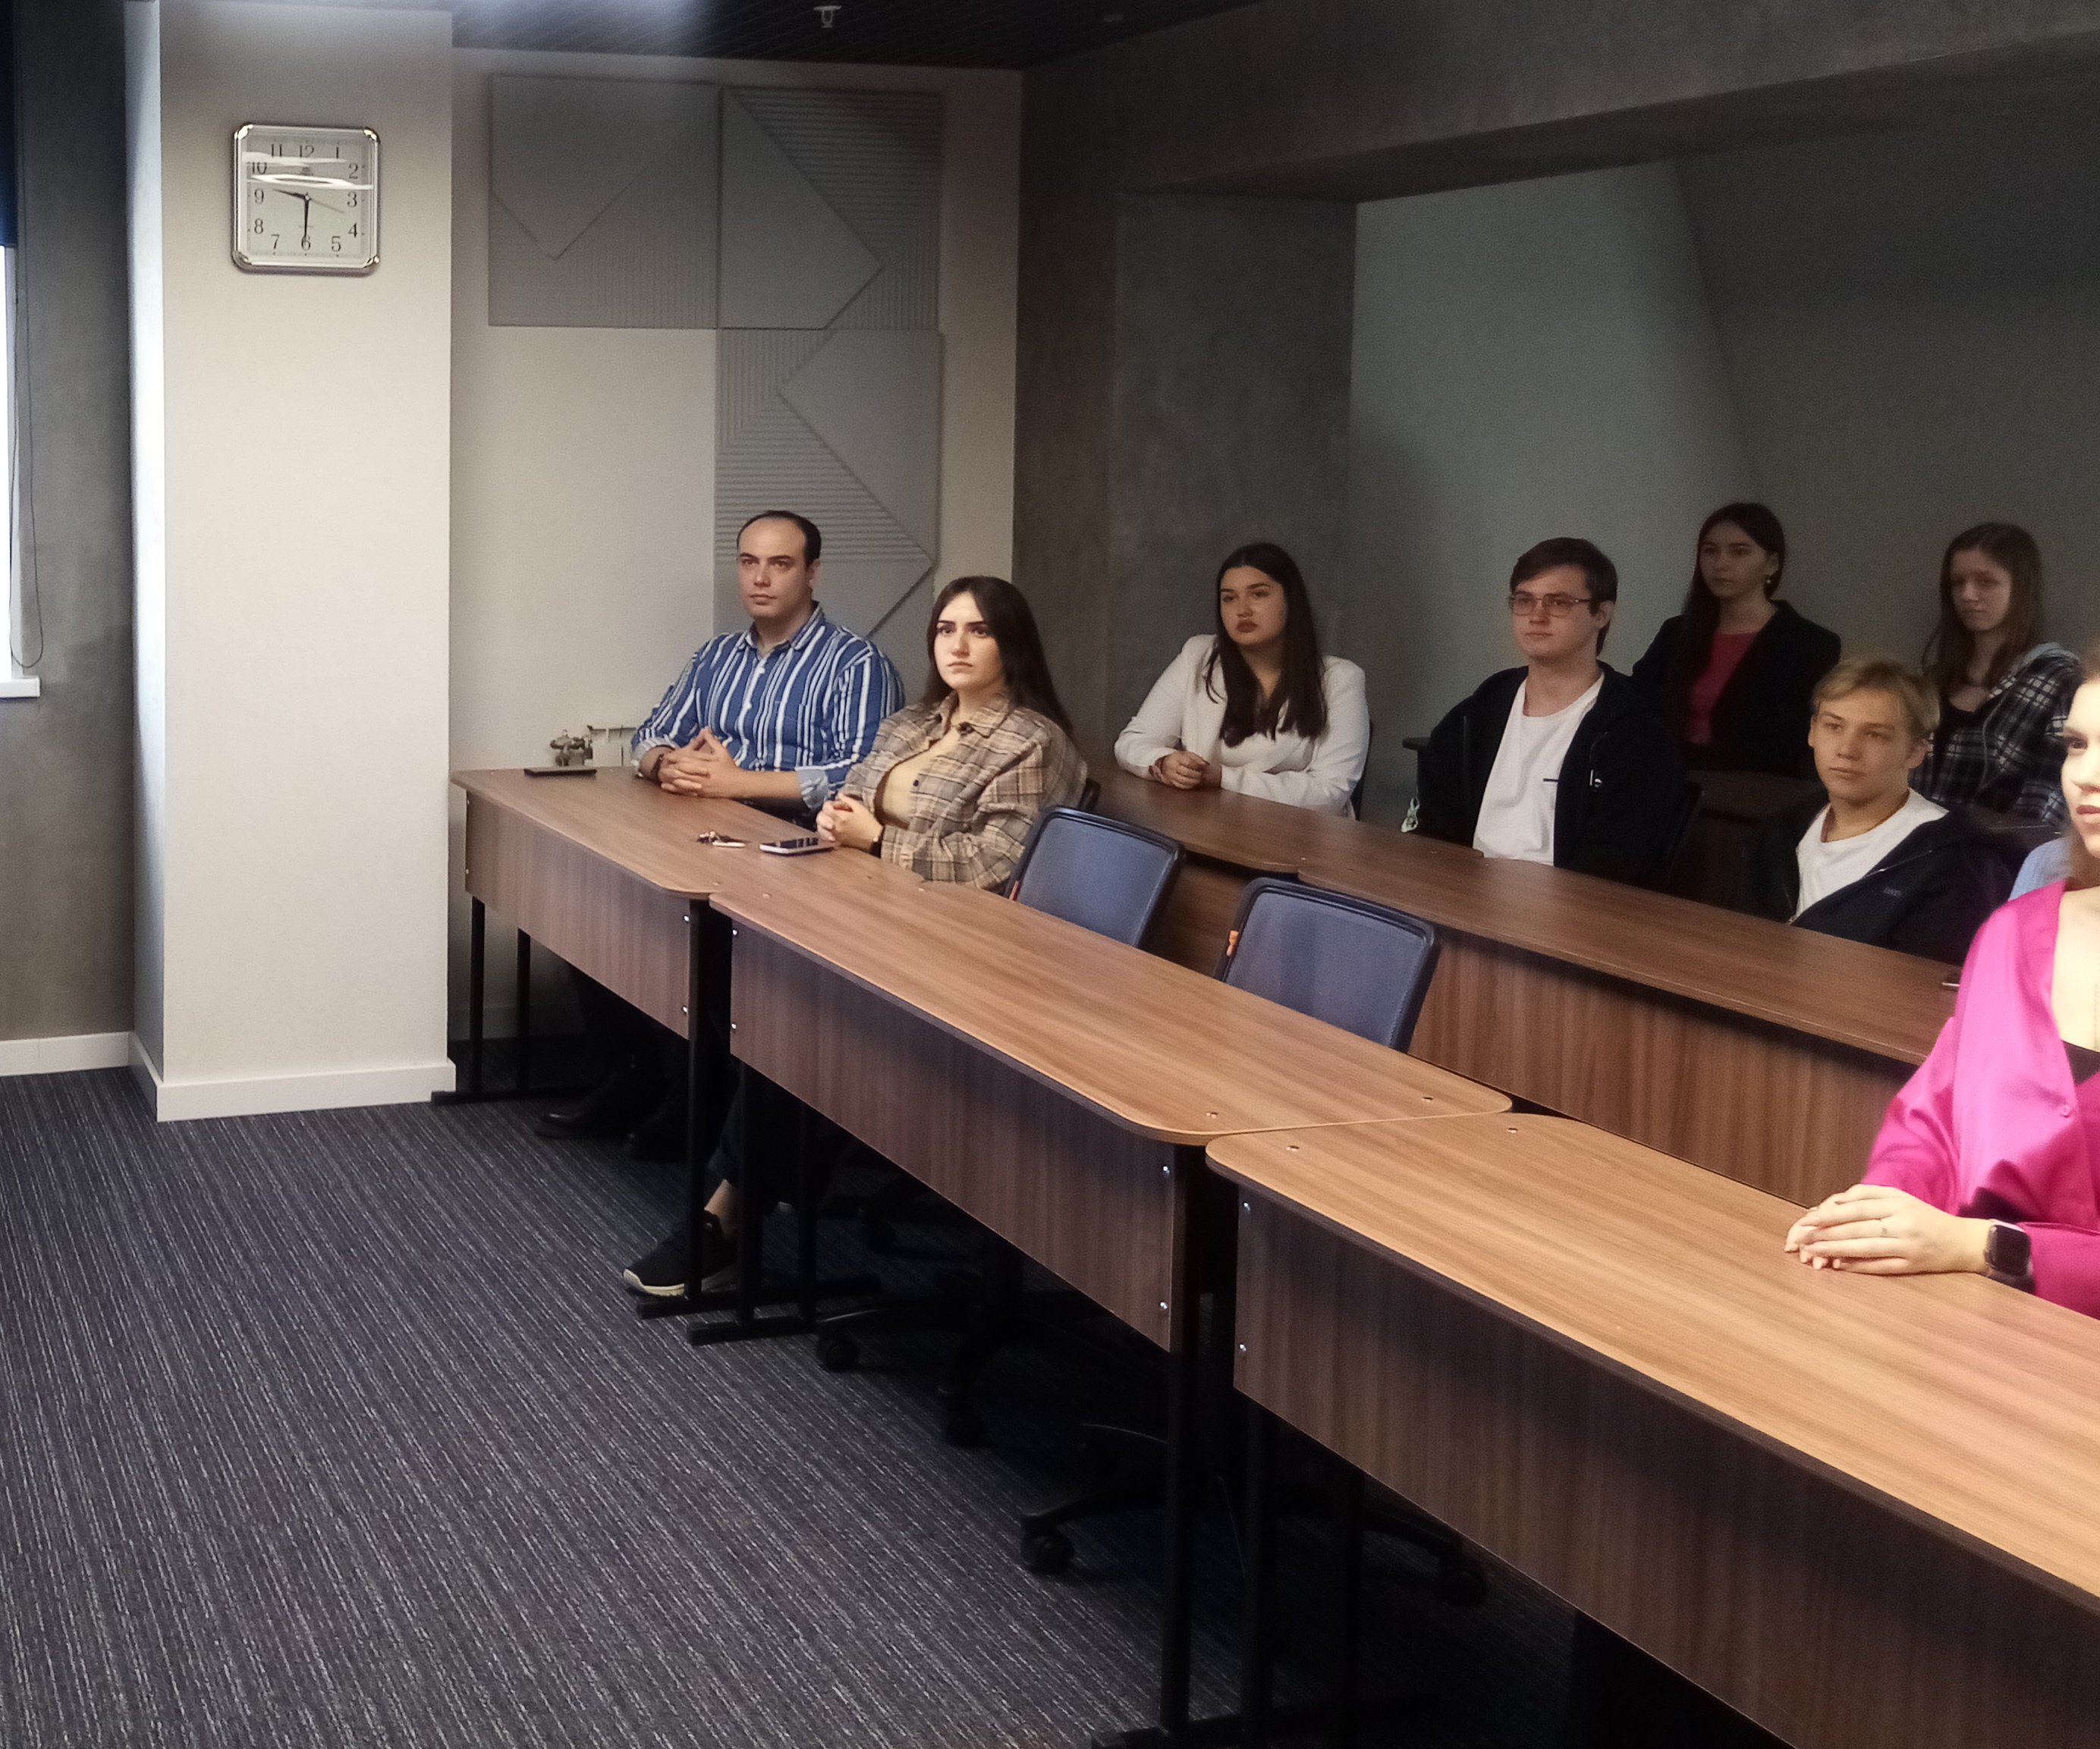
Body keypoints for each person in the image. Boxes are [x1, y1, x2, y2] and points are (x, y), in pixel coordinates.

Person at [623, 575, 1080, 1298]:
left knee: (800, 1021)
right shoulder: (912, 723)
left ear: (1012, 644)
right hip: (877, 915)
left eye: (980, 631)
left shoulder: (1032, 740)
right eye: (946, 629)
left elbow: (998, 864)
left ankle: (726, 1218)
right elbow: (850, 799)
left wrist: (879, 840)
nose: (958, 646)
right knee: (764, 992)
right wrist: (840, 819)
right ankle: (764, 1180)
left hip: (964, 948)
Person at [537, 510, 898, 1149]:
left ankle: (700, 1099)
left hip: (798, 850)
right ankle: (635, 1075)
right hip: (703, 833)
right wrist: (666, 763)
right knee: (593, 898)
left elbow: (862, 775)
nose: (761, 579)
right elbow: (654, 731)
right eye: (749, 563)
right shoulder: (716, 657)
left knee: (693, 936)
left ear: (813, 573)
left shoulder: (855, 664)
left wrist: (739, 782)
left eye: (780, 564)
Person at [1784, 656, 2100, 1316]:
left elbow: (1978, 1243)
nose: (2086, 775)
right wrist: (1878, 1217)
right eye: (2077, 744)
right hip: (1962, 1311)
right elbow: (1931, 1123)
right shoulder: (2015, 931)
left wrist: (1988, 1246)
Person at [1409, 536, 1684, 883]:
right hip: (1461, 894)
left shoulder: (1636, 734)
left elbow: (1615, 865)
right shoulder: (1476, 715)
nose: (1537, 616)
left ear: (1601, 614)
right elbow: (1431, 835)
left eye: (1558, 602)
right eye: (1524, 601)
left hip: (1569, 908)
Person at [1740, 658, 2012, 965]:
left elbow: (1929, 985)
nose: (1846, 750)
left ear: (1916, 751)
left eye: (1875, 735)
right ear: (1813, 731)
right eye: (1834, 726)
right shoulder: (1779, 834)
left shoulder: (1956, 863)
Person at [1112, 542, 1370, 815]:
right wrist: (1164, 762)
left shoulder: (1340, 680)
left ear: (1291, 601)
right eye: (1229, 598)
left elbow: (1330, 792)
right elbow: (1133, 741)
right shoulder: (1198, 655)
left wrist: (1223, 778)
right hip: (1205, 823)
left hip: (1298, 834)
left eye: (1258, 594)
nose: (1242, 610)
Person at [1627, 502, 1841, 777]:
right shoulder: (1677, 632)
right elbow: (1638, 703)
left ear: (1771, 564)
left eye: (1739, 551)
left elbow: (1792, 739)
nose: (1721, 563)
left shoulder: (1811, 644)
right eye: (1710, 551)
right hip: (1670, 783)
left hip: (1759, 790)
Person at [1916, 522, 2080, 826]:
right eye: (1957, 582)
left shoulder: (2059, 680)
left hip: (2002, 850)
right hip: (1912, 844)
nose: (1968, 594)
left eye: (1986, 582)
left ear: (2020, 588)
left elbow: (2048, 803)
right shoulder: (1933, 681)